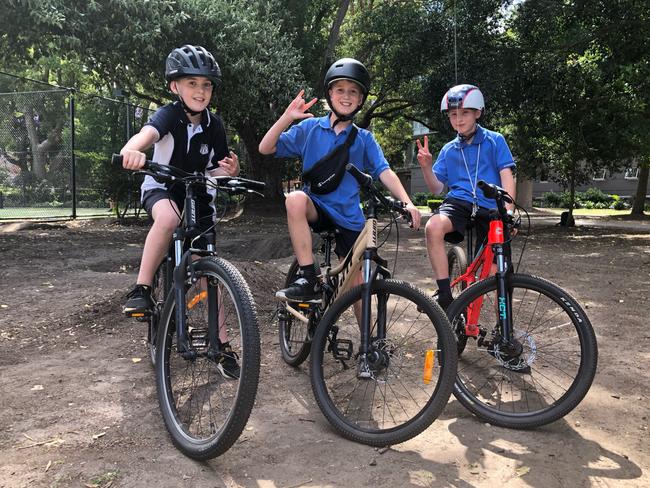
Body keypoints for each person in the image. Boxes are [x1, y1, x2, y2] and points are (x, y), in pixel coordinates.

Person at [119, 44, 240, 378]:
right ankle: (142, 288)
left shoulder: (215, 126)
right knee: (169, 218)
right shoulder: (168, 115)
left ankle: (222, 344)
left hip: (197, 193)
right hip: (162, 187)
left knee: (206, 266)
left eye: (206, 85)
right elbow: (146, 135)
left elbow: (219, 167)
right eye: (192, 83)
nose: (200, 91)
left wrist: (230, 168)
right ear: (175, 86)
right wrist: (131, 151)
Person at [259, 57, 421, 302]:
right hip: (317, 209)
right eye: (340, 90)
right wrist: (287, 117)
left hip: (350, 218)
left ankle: (365, 339)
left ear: (361, 99)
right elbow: (265, 147)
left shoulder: (364, 139)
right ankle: (307, 277)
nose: (346, 96)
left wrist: (407, 202)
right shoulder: (309, 128)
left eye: (353, 91)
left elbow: (384, 171)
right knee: (294, 199)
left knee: (357, 289)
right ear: (329, 93)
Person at [416, 84, 516, 309]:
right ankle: (444, 294)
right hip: (459, 203)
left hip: (490, 206)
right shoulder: (449, 149)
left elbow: (507, 177)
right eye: (453, 115)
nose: (458, 119)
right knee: (433, 227)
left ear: (477, 112)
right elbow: (436, 189)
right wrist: (426, 167)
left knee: (496, 271)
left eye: (464, 113)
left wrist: (508, 212)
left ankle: (502, 321)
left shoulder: (495, 140)